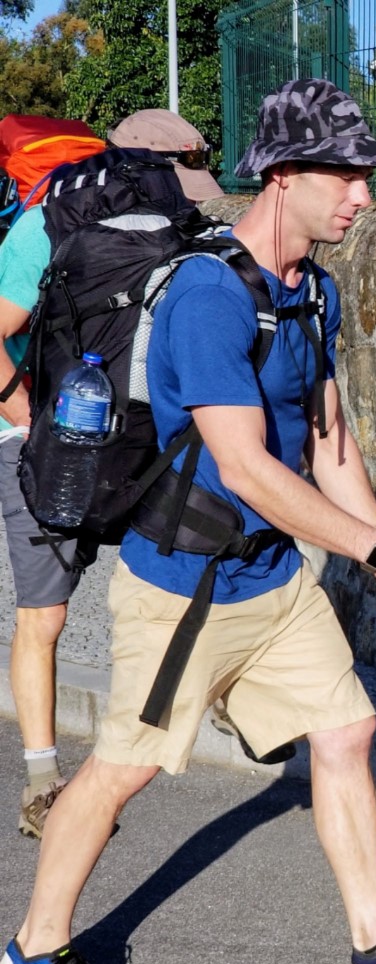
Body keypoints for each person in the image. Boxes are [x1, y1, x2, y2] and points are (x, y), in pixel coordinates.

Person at [0, 80, 376, 964]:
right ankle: (32, 949)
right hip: (186, 588)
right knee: (120, 771)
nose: (362, 195)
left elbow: (329, 441)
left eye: (366, 176)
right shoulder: (205, 294)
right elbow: (243, 463)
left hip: (270, 574)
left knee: (346, 733)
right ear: (281, 175)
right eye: (346, 175)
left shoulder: (314, 290)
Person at [0, 110, 224, 841]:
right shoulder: (45, 223)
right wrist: (22, 404)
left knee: (175, 576)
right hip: (42, 442)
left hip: (139, 437)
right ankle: (41, 780)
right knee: (47, 615)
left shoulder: (183, 223)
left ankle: (177, 719)